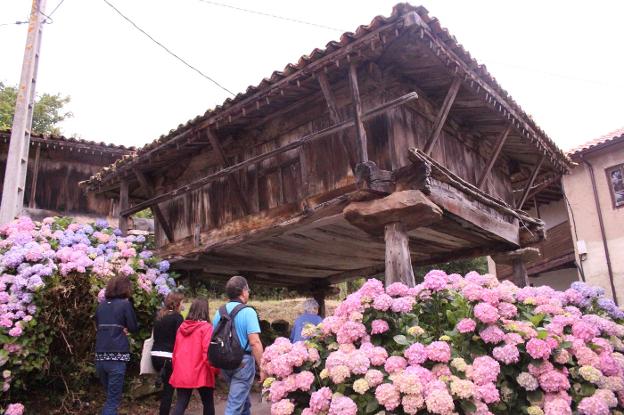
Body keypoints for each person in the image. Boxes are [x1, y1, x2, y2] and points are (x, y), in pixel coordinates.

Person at [213, 276, 265, 415]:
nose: (248, 292)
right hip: (243, 362)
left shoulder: (219, 312)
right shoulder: (248, 312)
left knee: (243, 401)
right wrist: (263, 367)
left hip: (225, 362)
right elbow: (254, 342)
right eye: (248, 289)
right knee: (235, 406)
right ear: (243, 291)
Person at [95, 276, 138, 415]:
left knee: (110, 397)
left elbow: (98, 326)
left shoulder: (101, 305)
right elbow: (133, 327)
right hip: (117, 356)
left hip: (100, 356)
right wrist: (125, 329)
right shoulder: (125, 305)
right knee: (112, 401)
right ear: (125, 288)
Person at [169, 298, 219, 415]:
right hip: (202, 370)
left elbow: (175, 351)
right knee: (208, 403)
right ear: (205, 311)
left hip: (182, 370)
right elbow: (208, 353)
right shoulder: (206, 328)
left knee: (181, 403)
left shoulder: (182, 327)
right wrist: (215, 370)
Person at [151, 292, 184, 415]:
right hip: (169, 357)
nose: (183, 305)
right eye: (182, 302)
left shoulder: (159, 316)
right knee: (168, 391)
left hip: (155, 355)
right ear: (176, 303)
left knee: (164, 385)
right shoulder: (178, 318)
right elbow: (180, 339)